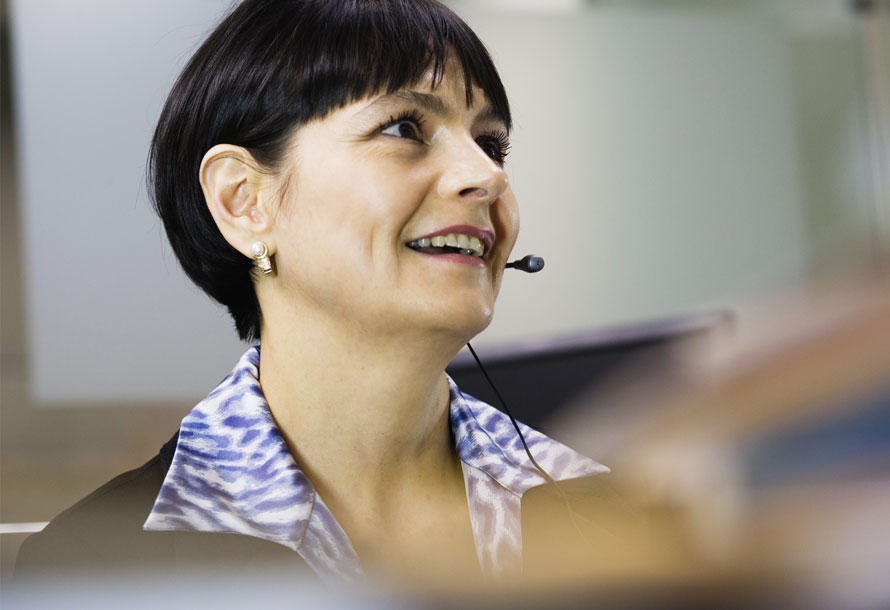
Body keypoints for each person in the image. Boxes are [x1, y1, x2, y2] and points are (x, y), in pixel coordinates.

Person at [16, 0, 612, 588]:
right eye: (405, 127)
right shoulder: (94, 565)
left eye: (491, 143)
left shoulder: (613, 514)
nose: (488, 175)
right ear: (244, 200)